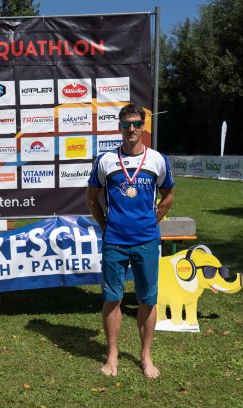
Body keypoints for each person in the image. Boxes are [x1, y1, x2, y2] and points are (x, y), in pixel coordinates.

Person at [86, 103, 174, 379]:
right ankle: (112, 354)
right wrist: (105, 225)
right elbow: (92, 198)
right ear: (120, 127)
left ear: (144, 126)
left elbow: (168, 197)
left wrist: (151, 222)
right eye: (126, 124)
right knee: (112, 298)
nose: (131, 129)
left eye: (136, 124)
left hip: (146, 240)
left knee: (147, 299)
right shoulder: (106, 161)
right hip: (115, 240)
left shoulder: (157, 160)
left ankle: (146, 356)